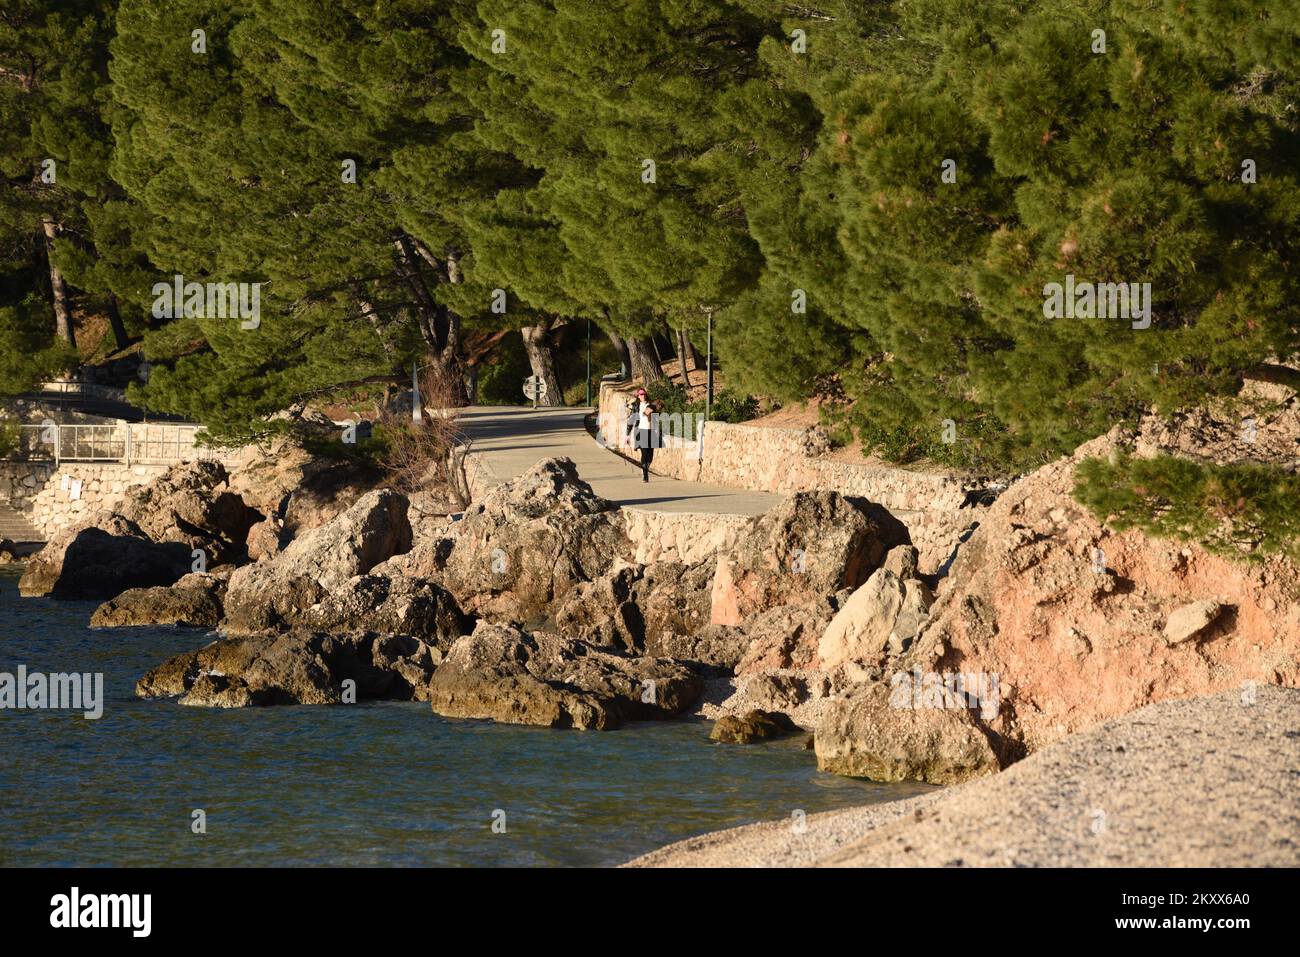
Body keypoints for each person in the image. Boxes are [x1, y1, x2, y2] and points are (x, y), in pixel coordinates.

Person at [634, 399, 661, 482]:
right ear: (658, 405)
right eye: (661, 407)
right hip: (644, 432)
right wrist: (649, 411)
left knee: (650, 456)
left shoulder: (656, 412)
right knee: (645, 454)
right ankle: (645, 476)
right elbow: (645, 413)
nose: (661, 409)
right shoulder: (651, 407)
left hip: (652, 434)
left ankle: (644, 469)